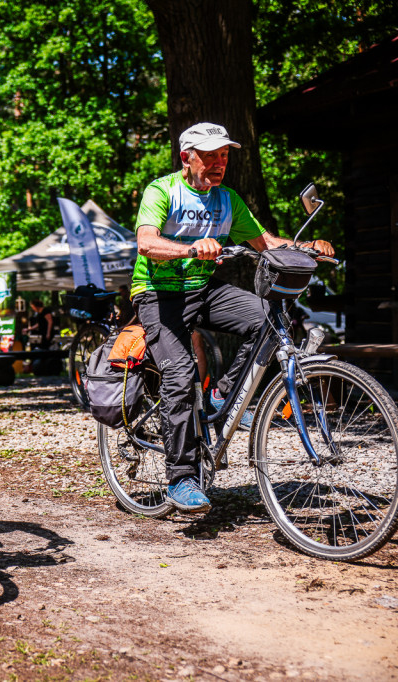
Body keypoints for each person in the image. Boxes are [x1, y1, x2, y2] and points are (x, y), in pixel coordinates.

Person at [131, 122, 334, 513]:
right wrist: (190, 250)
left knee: (269, 319)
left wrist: (307, 246)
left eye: (223, 155)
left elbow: (267, 243)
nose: (219, 162)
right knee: (179, 374)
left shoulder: (227, 200)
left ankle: (222, 392)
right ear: (186, 158)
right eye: (209, 155)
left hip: (202, 291)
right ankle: (182, 478)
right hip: (158, 295)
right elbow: (146, 242)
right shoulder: (163, 190)